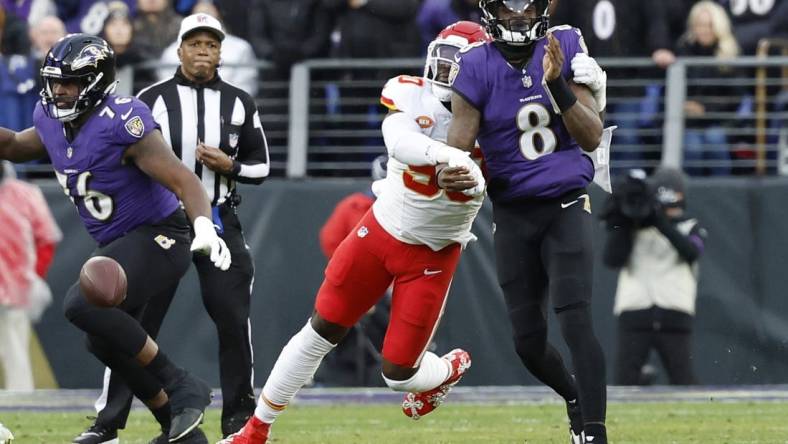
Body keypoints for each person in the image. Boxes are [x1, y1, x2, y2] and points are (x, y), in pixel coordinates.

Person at [221, 21, 491, 443]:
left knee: (398, 374)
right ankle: (255, 431)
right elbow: (397, 139)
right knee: (321, 327)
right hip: (380, 230)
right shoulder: (409, 91)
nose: (447, 71)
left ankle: (450, 367)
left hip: (433, 253)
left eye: (459, 63)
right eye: (444, 59)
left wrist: (478, 176)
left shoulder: (497, 115)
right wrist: (455, 159)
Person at [0, 34, 231, 443]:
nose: (59, 90)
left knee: (80, 302)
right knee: (102, 341)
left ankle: (182, 386)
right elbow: (18, 145)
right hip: (118, 245)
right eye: (54, 81)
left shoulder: (122, 121)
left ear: (95, 81)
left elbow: (184, 179)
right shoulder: (53, 118)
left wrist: (202, 226)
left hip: (161, 236)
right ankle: (179, 429)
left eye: (69, 82)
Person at [82, 13, 271, 441]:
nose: (203, 51)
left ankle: (239, 419)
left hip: (219, 218)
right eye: (195, 43)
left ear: (221, 52)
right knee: (134, 323)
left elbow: (263, 167)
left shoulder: (240, 101)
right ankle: (109, 422)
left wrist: (232, 165)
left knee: (233, 319)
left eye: (211, 44)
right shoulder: (149, 98)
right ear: (179, 49)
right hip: (160, 221)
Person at [447, 1, 609, 443]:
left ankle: (594, 433)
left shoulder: (565, 43)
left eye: (525, 8)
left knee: (576, 319)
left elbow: (592, 135)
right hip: (514, 211)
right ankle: (574, 397)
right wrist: (446, 169)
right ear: (489, 11)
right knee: (527, 341)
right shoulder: (475, 65)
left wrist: (557, 83)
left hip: (565, 203)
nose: (517, 16)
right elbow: (458, 148)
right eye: (506, 7)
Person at [601, 168, 706, 385]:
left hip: (674, 311)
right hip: (635, 310)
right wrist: (623, 221)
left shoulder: (690, 225)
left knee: (684, 379)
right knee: (624, 381)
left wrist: (659, 221)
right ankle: (643, 381)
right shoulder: (631, 227)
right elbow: (612, 259)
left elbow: (692, 252)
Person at [0, 160, 61, 391]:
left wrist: (32, 277)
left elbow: (46, 239)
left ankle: (19, 402)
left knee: (15, 348)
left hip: (16, 288)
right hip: (17, 285)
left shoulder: (25, 195)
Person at [677, 1, 740, 176]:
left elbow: (735, 99)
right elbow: (671, 91)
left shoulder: (729, 54)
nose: (704, 30)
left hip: (720, 121)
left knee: (715, 139)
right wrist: (683, 105)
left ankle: (722, 193)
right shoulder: (683, 51)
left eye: (709, 25)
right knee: (692, 146)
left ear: (719, 27)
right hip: (688, 122)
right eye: (699, 25)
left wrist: (705, 109)